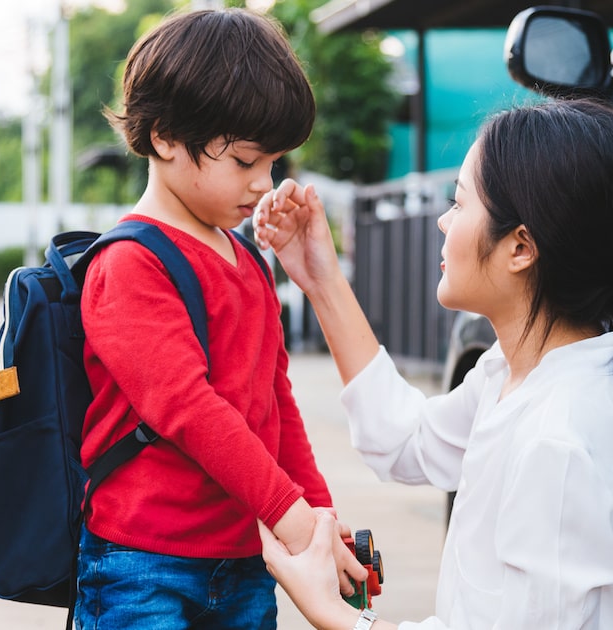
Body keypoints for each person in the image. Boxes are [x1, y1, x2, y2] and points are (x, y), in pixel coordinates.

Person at [254, 99, 613, 630]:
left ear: (520, 247)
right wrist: (321, 277)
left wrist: (333, 614)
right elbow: (402, 439)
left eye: (459, 203)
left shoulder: (558, 442)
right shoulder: (521, 373)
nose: (444, 223)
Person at [75, 8, 364, 629]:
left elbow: (275, 404)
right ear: (164, 138)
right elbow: (188, 409)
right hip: (142, 565)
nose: (264, 184)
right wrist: (290, 513)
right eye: (244, 162)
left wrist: (319, 518)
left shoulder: (248, 263)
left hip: (243, 562)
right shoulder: (130, 264)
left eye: (274, 164)